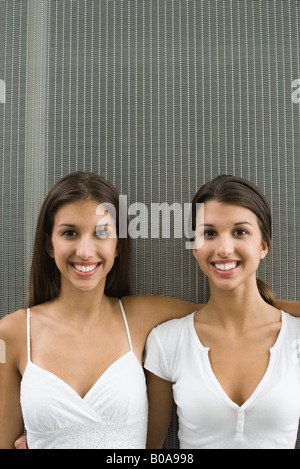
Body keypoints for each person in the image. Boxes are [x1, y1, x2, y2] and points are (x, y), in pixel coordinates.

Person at [0, 172, 298, 449]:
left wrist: (274, 312)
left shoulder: (141, 317)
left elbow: (223, 310)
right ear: (49, 244)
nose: (85, 251)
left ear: (118, 245)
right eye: (69, 234)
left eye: (102, 233)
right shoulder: (10, 333)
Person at [144, 174, 300, 449]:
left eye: (240, 232)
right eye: (209, 233)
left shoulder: (295, 337)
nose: (224, 249)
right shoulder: (168, 341)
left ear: (263, 246)